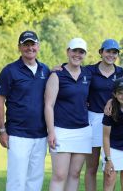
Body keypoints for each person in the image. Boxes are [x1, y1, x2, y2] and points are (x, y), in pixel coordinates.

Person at [0, 31, 50, 191]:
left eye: (32, 44)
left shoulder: (45, 70)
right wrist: (1, 130)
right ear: (19, 47)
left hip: (41, 135)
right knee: (16, 181)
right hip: (17, 134)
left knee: (35, 181)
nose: (29, 48)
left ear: (38, 46)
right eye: (25, 44)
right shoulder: (9, 71)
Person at [44, 37, 92, 191]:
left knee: (75, 174)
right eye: (74, 51)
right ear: (68, 51)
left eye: (81, 52)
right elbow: (48, 105)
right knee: (59, 175)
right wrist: (51, 131)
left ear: (85, 54)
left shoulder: (88, 74)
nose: (77, 54)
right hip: (61, 131)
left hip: (83, 131)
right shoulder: (57, 75)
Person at [85, 39, 123, 191]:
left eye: (114, 52)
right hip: (93, 119)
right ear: (101, 52)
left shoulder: (120, 72)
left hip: (113, 120)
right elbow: (71, 71)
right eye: (108, 51)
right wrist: (59, 68)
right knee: (92, 167)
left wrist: (111, 100)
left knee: (110, 167)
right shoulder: (89, 70)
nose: (111, 55)